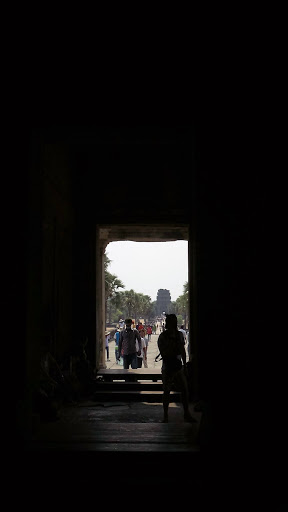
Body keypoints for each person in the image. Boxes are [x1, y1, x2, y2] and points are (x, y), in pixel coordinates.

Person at [157, 313, 196, 423]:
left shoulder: (179, 335)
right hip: (168, 366)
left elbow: (183, 350)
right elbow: (163, 352)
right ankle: (165, 415)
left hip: (178, 367)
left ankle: (186, 413)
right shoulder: (163, 336)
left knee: (184, 389)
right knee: (166, 391)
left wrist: (184, 364)